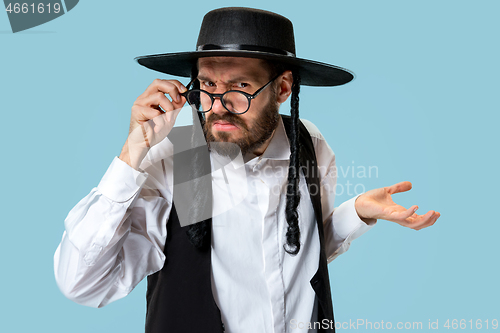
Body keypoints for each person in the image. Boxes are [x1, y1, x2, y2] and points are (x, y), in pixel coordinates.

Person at [53, 7, 440, 333]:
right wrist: (130, 154)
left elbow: (297, 251)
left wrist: (355, 212)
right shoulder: (182, 156)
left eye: (240, 85)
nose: (218, 105)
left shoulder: (309, 143)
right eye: (207, 85)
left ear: (283, 89)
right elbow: (83, 285)